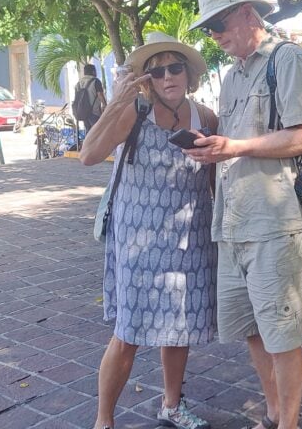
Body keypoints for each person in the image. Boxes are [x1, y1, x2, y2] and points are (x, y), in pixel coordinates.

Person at [185, 0, 302, 429]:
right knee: (251, 329)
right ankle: (272, 412)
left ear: (248, 12)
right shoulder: (231, 75)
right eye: (208, 29)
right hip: (233, 224)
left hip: (274, 222)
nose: (215, 36)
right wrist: (212, 147)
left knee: (283, 335)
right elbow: (234, 141)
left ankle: (290, 423)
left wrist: (235, 147)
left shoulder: (289, 60)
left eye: (220, 23)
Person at [80, 32, 218, 429]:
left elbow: (210, 178)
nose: (167, 77)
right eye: (157, 72)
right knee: (129, 331)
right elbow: (89, 155)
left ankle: (172, 405)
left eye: (175, 68)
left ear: (188, 74)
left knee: (179, 326)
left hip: (189, 238)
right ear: (147, 80)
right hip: (137, 240)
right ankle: (103, 421)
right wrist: (119, 100)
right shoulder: (132, 114)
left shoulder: (205, 117)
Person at [74, 63, 108, 131]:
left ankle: (87, 142)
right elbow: (100, 95)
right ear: (93, 71)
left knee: (88, 131)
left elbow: (76, 99)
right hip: (94, 112)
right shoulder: (96, 81)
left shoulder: (78, 83)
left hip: (83, 112)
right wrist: (105, 105)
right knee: (97, 132)